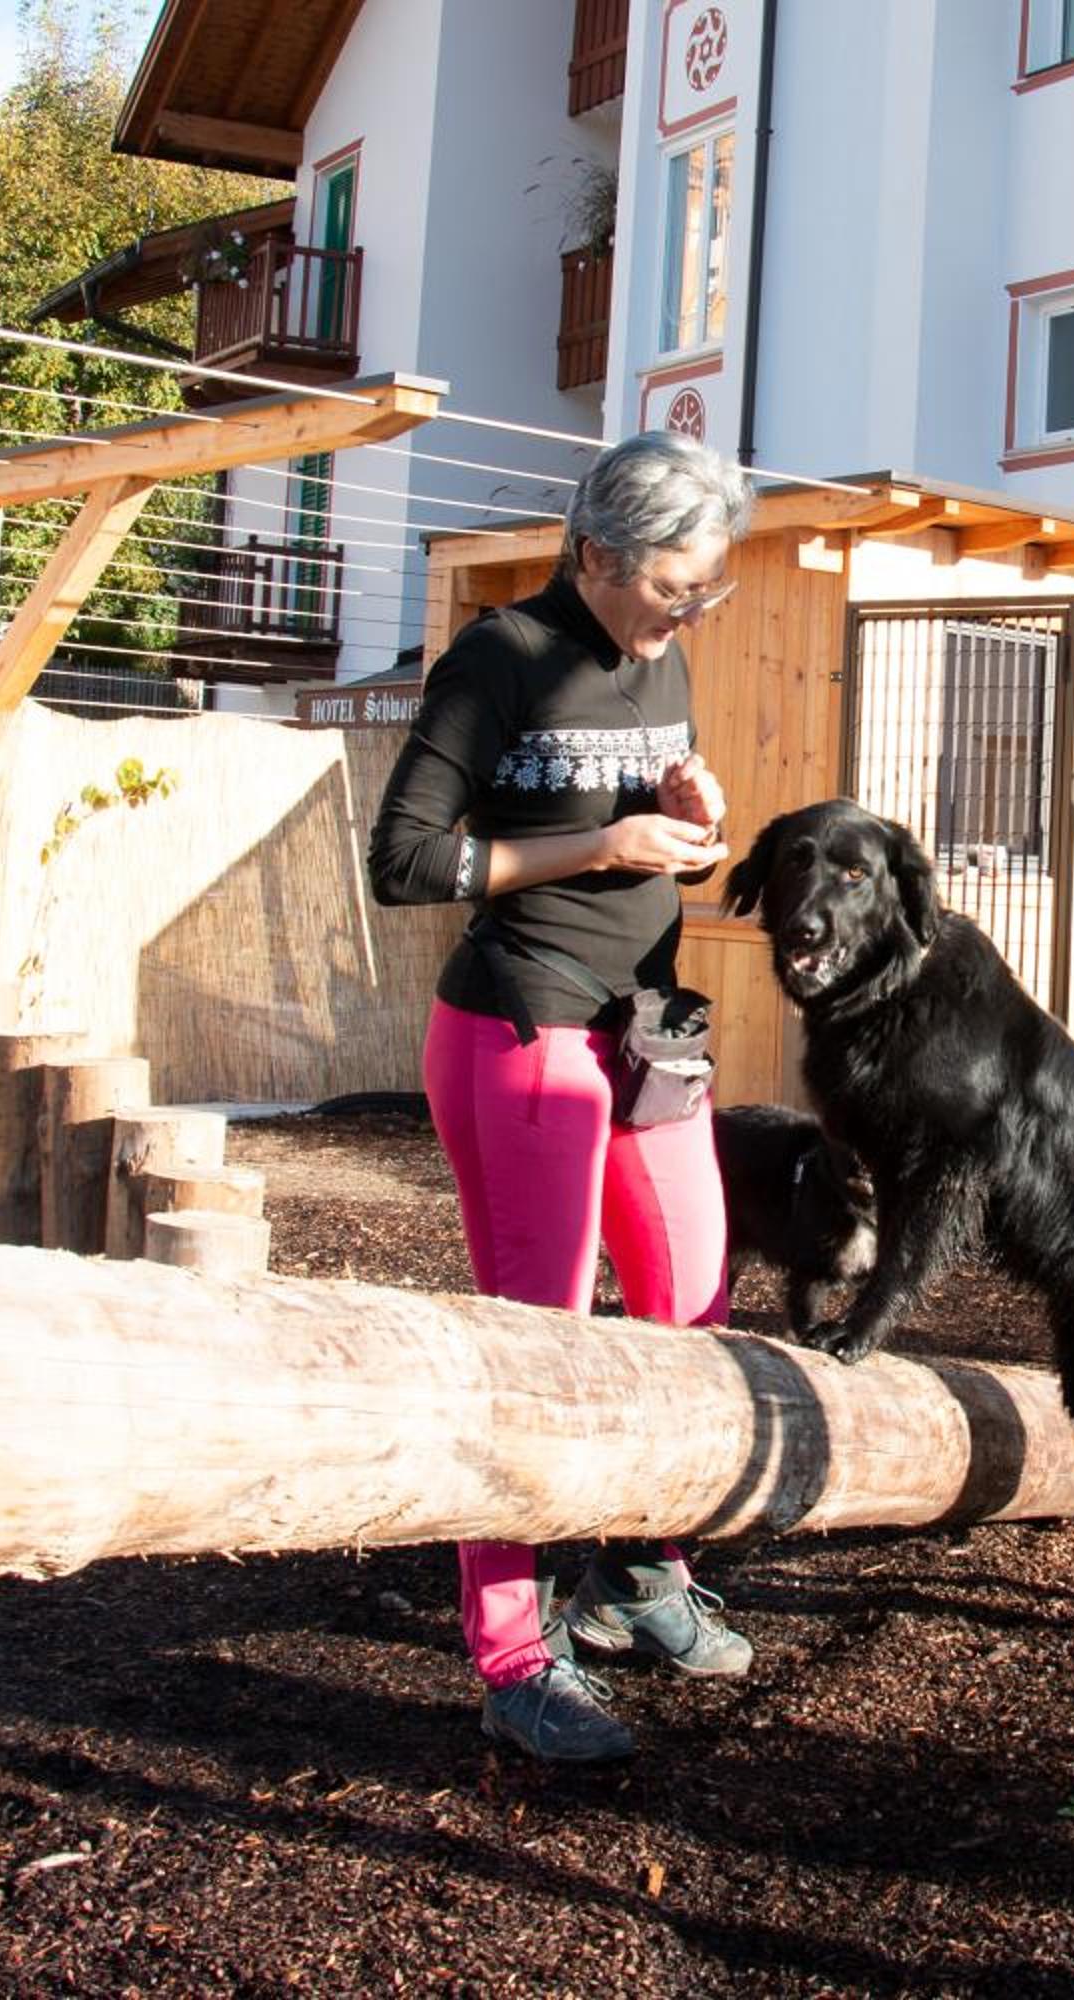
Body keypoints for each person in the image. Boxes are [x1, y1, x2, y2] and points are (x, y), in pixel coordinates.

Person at [365, 430, 756, 1764]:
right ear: (596, 552)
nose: (689, 614)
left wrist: (692, 813)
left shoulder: (665, 655)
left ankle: (641, 1570)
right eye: (674, 587)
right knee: (534, 1346)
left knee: (690, 1307)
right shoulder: (500, 658)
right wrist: (603, 843)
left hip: (647, 1031)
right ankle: (514, 1656)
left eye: (709, 590)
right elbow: (405, 862)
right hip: (520, 1025)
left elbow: (660, 842)